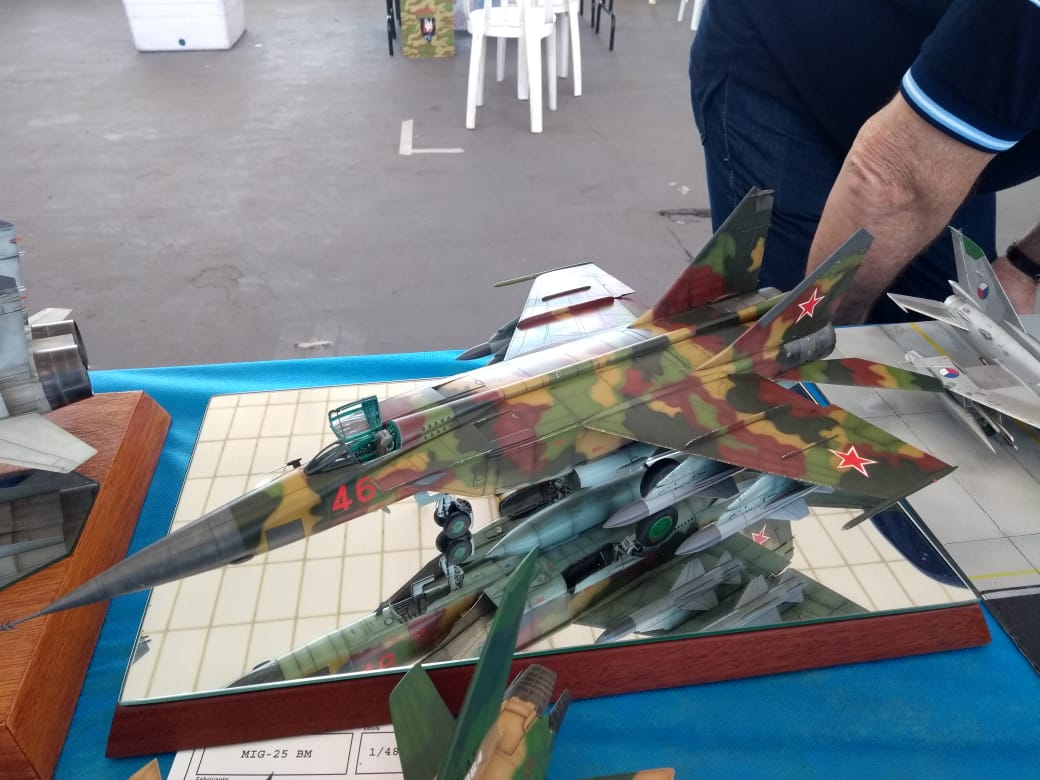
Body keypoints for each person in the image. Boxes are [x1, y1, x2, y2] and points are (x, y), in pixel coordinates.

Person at [689, 0, 1040, 323]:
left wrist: (1025, 267)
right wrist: (827, 336)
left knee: (949, 336)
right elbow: (889, 181)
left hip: (950, 116)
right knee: (783, 332)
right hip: (788, 57)